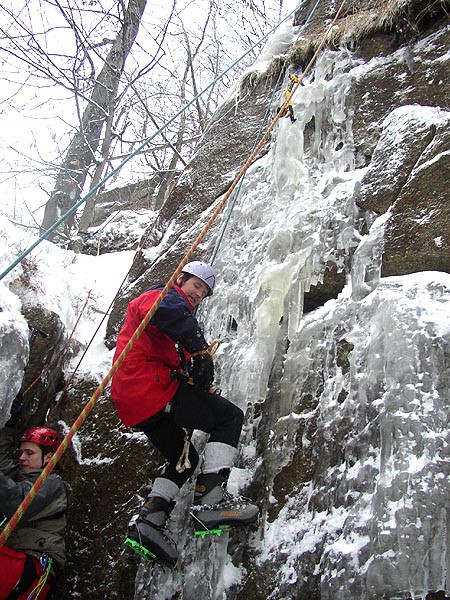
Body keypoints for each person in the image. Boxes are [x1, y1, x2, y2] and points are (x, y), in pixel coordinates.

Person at [111, 261, 259, 566]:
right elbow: (168, 309)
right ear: (181, 279)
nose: (197, 295)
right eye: (195, 286)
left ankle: (150, 520)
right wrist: (200, 351)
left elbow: (175, 344)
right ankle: (211, 502)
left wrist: (194, 373)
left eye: (203, 293)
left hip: (137, 401)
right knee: (228, 417)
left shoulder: (171, 332)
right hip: (148, 386)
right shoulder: (161, 294)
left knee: (185, 458)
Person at [0, 422, 67, 600]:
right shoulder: (17, 476)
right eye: (21, 452)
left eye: (29, 453)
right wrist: (8, 423)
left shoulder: (52, 484)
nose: (22, 457)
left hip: (33, 565)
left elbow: (16, 501)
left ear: (48, 457)